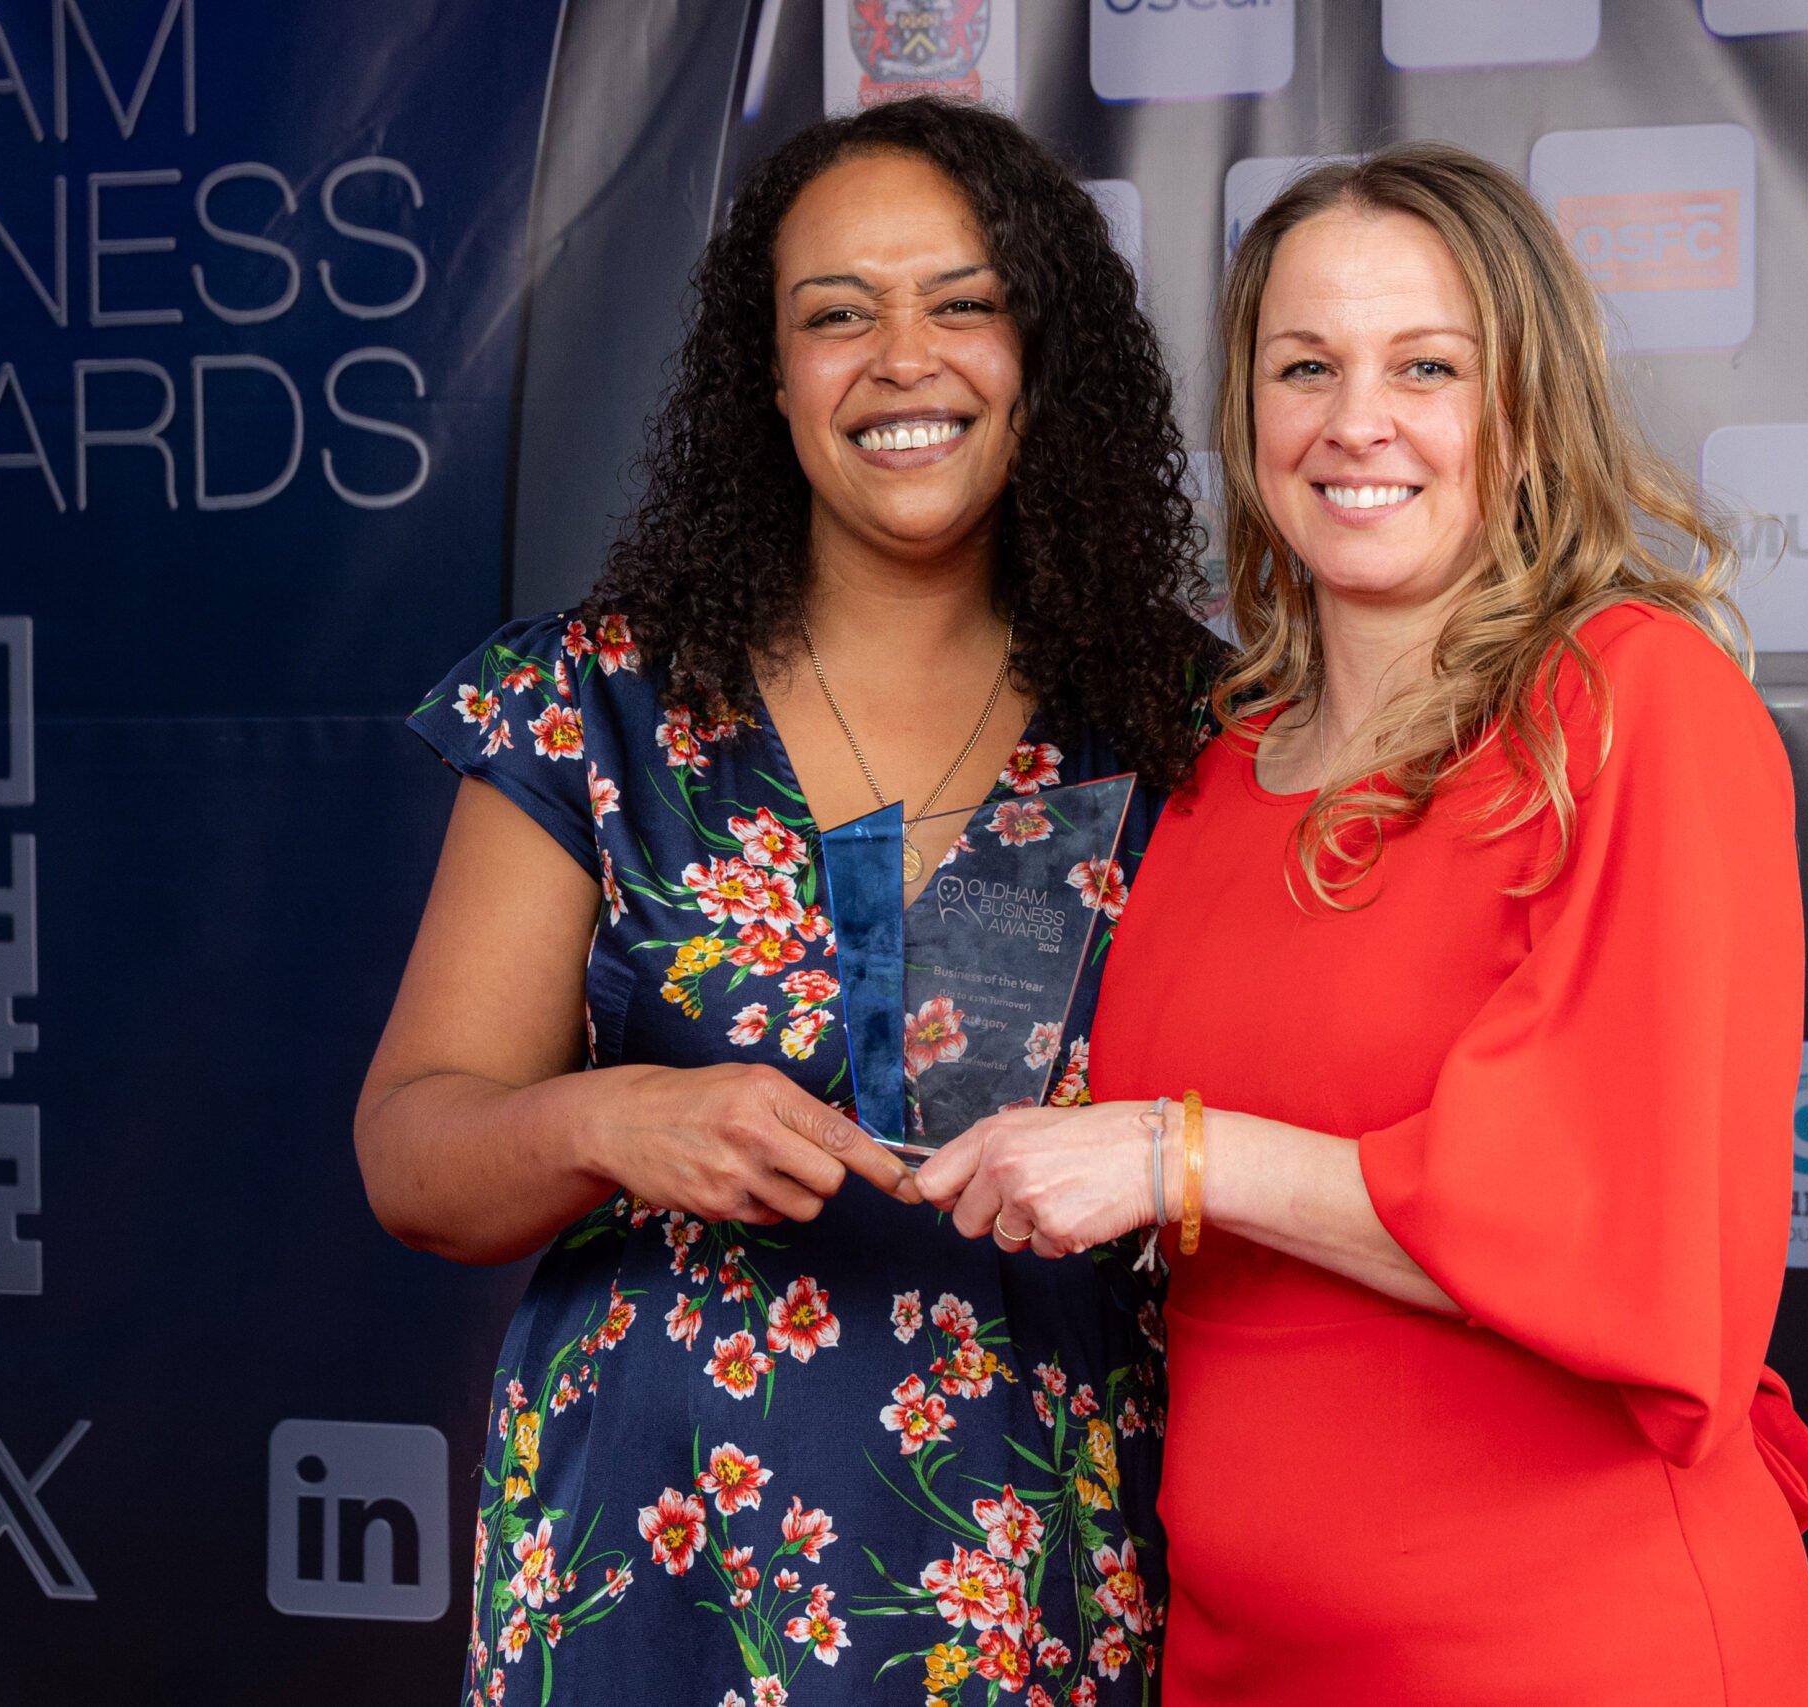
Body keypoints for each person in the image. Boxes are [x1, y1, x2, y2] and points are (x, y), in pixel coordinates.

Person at [917, 144, 1808, 1704]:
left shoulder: (1633, 703)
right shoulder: (1213, 771)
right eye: (1305, 368)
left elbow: (1635, 1238)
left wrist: (1175, 1153)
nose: (1359, 422)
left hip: (1572, 1651)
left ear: (1525, 401)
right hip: (1240, 1658)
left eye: (1428, 366)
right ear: (1248, 415)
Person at [357, 97, 1211, 1707]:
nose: (903, 358)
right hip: (646, 1576)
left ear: (1046, 352)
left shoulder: (1181, 721)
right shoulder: (593, 705)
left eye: (963, 303)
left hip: (1039, 1582)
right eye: (836, 315)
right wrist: (614, 1121)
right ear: (769, 377)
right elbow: (414, 1156)